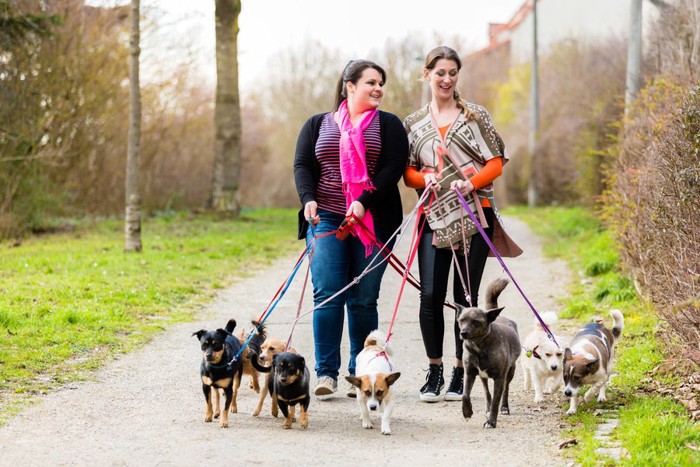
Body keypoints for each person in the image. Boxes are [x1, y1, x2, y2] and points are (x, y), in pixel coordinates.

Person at [403, 46, 522, 402]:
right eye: (439, 72)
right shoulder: (413, 123)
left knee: (464, 297)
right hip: (434, 217)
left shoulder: (475, 115)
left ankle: (460, 370)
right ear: (427, 75)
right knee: (430, 295)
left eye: (453, 72)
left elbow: (496, 161)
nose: (446, 79)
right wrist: (424, 181)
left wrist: (470, 183)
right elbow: (408, 172)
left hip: (475, 212)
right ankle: (435, 370)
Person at [294, 59, 408, 398]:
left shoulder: (388, 125)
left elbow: (392, 168)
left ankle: (362, 373)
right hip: (326, 217)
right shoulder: (318, 124)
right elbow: (302, 165)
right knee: (328, 292)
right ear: (350, 86)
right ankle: (326, 374)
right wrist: (307, 198)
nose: (378, 89)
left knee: (362, 299)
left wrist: (362, 202)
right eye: (371, 82)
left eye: (381, 83)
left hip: (372, 220)